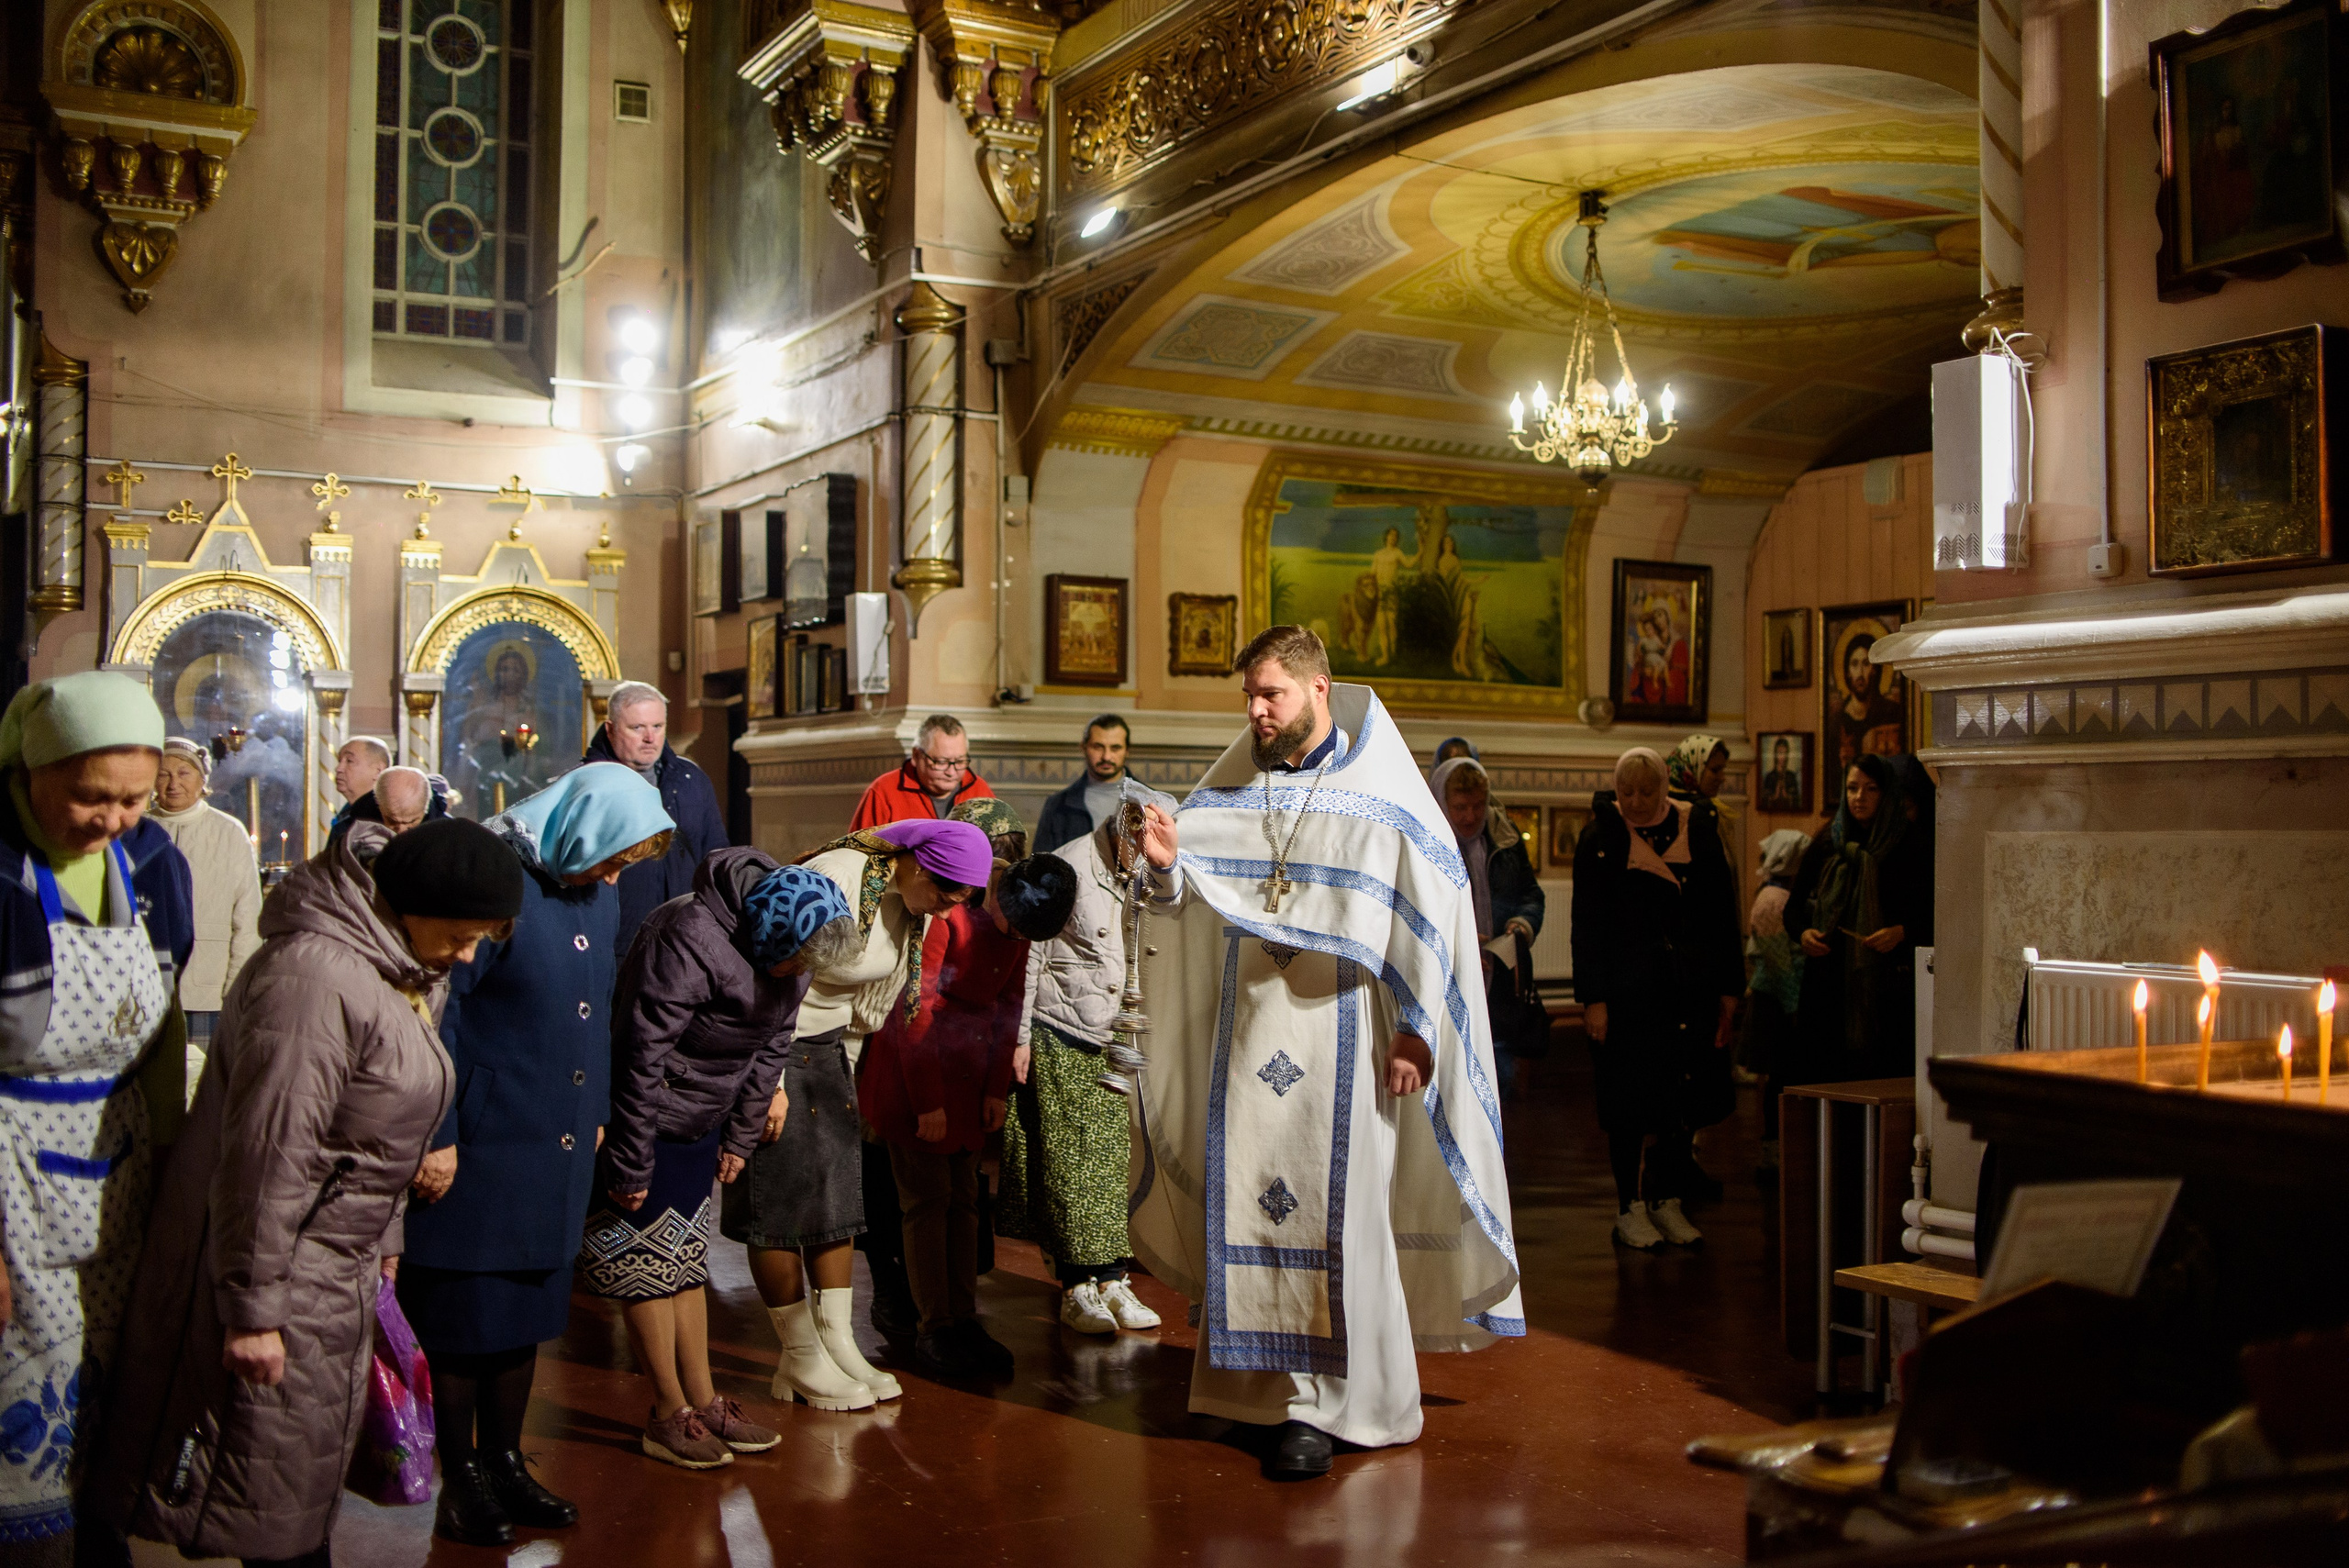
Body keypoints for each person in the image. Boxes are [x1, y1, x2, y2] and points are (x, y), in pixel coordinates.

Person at [1130, 626, 1520, 1480]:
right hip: (1247, 1039)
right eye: (1249, 697)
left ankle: (1331, 1403)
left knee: (1340, 1218)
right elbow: (1180, 905)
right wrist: (1165, 867)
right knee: (1249, 1206)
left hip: (1346, 1039)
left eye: (1269, 693)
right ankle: (1257, 1392)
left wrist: (1418, 1031)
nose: (1256, 711)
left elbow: (1431, 915)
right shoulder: (1234, 787)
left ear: (1319, 687)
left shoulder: (1387, 796)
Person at [90, 818, 521, 1568]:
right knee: (270, 1504)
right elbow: (268, 1158)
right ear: (407, 905)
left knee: (293, 1495)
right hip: (281, 1270)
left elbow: (372, 1134)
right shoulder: (315, 981)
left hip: (332, 1269)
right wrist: (253, 1311)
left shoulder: (394, 967)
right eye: (460, 933)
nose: (467, 952)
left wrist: (386, 1238)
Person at [397, 765, 674, 1547]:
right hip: (483, 1138)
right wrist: (439, 1131)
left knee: (522, 1315)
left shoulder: (598, 887)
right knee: (463, 1319)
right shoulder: (500, 874)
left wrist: (596, 1112)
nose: (616, 875)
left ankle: (508, 1461)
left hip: (556, 1135)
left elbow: (599, 1008)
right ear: (582, 827)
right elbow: (440, 1015)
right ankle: (463, 1479)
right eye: (613, 857)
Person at [0, 673, 192, 1553]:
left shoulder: (154, 862)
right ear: (33, 770)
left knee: (116, 1384)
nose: (114, 819)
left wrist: (171, 1171)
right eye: (90, 796)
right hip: (9, 1171)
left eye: (132, 797)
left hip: (118, 1161)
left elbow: (159, 1040)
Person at [584, 858, 860, 1463]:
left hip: (701, 1120)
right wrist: (630, 1158)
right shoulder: (686, 933)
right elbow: (640, 1051)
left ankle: (705, 1400)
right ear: (771, 932)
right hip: (646, 1116)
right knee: (643, 1264)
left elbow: (773, 1046)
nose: (796, 975)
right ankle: (666, 1410)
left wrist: (738, 1136)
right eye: (794, 962)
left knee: (684, 1260)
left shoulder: (796, 941)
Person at [722, 818, 994, 1402]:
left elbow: (859, 1002)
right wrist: (766, 1083)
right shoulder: (837, 880)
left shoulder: (908, 901)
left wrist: (845, 1069)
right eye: (946, 897)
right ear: (919, 865)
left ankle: (838, 1345)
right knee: (778, 1210)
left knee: (835, 1208)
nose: (947, 914)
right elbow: (765, 980)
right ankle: (797, 1359)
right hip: (776, 1052)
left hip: (828, 1053)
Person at [862, 801, 1075, 1377]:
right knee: (927, 1205)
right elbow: (915, 1014)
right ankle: (935, 1327)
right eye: (1013, 929)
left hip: (969, 1072)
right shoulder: (947, 916)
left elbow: (1008, 1006)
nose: (1015, 942)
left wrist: (996, 1089)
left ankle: (963, 1318)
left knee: (964, 1202)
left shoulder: (1022, 920)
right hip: (916, 1076)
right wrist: (928, 1101)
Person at [1002, 789, 1166, 1339]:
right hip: (1061, 1031)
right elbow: (1033, 955)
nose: (1145, 852)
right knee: (1069, 1166)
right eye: (1137, 841)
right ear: (1118, 831)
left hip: (1118, 1037)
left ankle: (1114, 1279)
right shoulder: (1067, 867)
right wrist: (1019, 1038)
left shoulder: (1150, 869)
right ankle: (1077, 1287)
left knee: (1113, 1164)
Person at [1571, 748, 1742, 1252]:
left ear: (1666, 789)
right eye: (1627, 792)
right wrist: (1593, 999)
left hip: (1687, 990)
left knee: (1679, 1098)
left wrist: (1730, 993)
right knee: (1628, 1102)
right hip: (1627, 996)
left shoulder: (1699, 831)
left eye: (1648, 792)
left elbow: (1722, 917)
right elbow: (1587, 927)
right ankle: (1630, 1206)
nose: (1637, 802)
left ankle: (1667, 1199)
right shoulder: (1601, 838)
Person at [1789, 756, 1934, 1084]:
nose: (1860, 797)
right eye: (1852, 788)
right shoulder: (1829, 841)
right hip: (1828, 981)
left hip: (1886, 983)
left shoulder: (1910, 844)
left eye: (1871, 789)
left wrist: (1902, 932)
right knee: (1827, 1075)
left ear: (1887, 794)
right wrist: (1803, 933)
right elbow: (1793, 908)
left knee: (1879, 1074)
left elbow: (1933, 914)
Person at [583, 682, 729, 956]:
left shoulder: (691, 779)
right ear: (610, 729)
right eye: (637, 728)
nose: (650, 738)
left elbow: (716, 854)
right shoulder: (588, 785)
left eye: (657, 726)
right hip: (616, 942)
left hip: (684, 939)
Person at [1429, 756, 1544, 1097]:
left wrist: (1522, 924)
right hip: (1448, 978)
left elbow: (1531, 894)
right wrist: (1458, 940)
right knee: (1452, 1083)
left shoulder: (1505, 842)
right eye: (1460, 806)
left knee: (1500, 1077)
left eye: (1478, 806)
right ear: (1442, 802)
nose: (1469, 816)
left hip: (1499, 979)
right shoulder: (1429, 845)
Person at [149, 736, 260, 1092]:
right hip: (145, 989)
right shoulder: (138, 831)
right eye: (163, 774)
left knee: (205, 1097)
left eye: (184, 773)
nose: (173, 783)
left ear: (202, 780)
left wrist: (236, 990)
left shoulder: (228, 833)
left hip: (207, 994)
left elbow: (248, 917)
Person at [1665, 733, 1740, 1195]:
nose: (1721, 779)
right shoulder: (1689, 816)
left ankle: (1684, 1158)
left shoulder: (1708, 814)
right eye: (1714, 771)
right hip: (1690, 961)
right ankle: (1673, 1165)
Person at [1746, 828, 1813, 1174]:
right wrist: (1793, 1008)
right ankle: (1773, 1151)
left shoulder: (1780, 894)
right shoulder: (1774, 900)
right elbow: (1780, 963)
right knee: (1779, 1077)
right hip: (1777, 1002)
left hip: (1781, 1000)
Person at [851, 714, 995, 828]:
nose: (951, 772)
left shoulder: (979, 790)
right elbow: (857, 854)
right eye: (941, 762)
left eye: (959, 761)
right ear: (916, 755)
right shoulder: (883, 792)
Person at [1033, 714, 1129, 856]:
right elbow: (1040, 866)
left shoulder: (1150, 802)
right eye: (1098, 747)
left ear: (1127, 751)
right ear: (1084, 748)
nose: (1106, 756)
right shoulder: (1057, 805)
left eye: (1115, 748)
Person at [328, 765, 450, 844]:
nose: (401, 831)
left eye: (411, 822)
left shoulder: (449, 836)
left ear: (426, 807)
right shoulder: (347, 834)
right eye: (392, 821)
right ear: (379, 804)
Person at [331, 735, 391, 806]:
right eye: (339, 761)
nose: (338, 769)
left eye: (349, 761)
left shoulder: (386, 814)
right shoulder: (347, 813)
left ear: (378, 771)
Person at [1759, 738, 1804, 815]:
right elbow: (1764, 799)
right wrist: (1774, 796)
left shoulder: (1791, 776)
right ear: (1775, 754)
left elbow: (1797, 800)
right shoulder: (1770, 777)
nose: (1782, 757)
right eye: (1780, 753)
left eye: (1785, 753)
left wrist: (1786, 795)